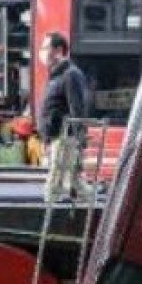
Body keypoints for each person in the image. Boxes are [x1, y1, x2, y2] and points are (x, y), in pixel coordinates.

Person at [37, 31, 92, 202]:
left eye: (46, 47)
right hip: (56, 138)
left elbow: (77, 109)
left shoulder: (70, 75)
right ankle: (94, 207)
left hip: (65, 138)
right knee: (73, 182)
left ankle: (49, 211)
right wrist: (46, 140)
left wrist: (80, 140)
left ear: (59, 50)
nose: (42, 52)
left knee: (55, 183)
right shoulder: (56, 75)